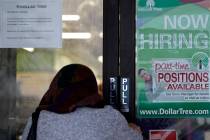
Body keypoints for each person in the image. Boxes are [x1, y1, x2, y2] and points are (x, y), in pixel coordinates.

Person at [22, 64, 143, 140]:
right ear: (91, 88)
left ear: (56, 87)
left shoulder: (39, 118)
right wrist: (133, 129)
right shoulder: (108, 117)